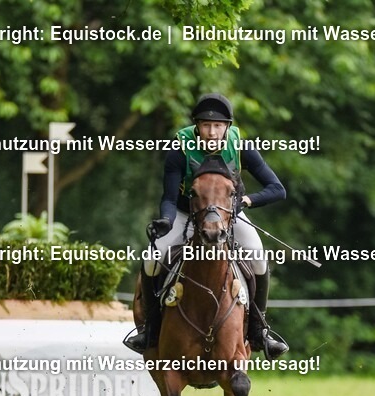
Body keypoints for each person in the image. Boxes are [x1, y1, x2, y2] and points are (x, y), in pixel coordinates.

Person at [124, 93, 290, 359]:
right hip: (183, 213)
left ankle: (260, 331)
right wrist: (166, 221)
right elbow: (168, 197)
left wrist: (246, 200)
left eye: (218, 126)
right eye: (205, 126)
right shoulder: (180, 149)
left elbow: (277, 189)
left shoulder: (241, 148)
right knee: (151, 260)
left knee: (259, 258)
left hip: (228, 216)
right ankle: (150, 330)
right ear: (196, 126)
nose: (212, 132)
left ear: (227, 126)